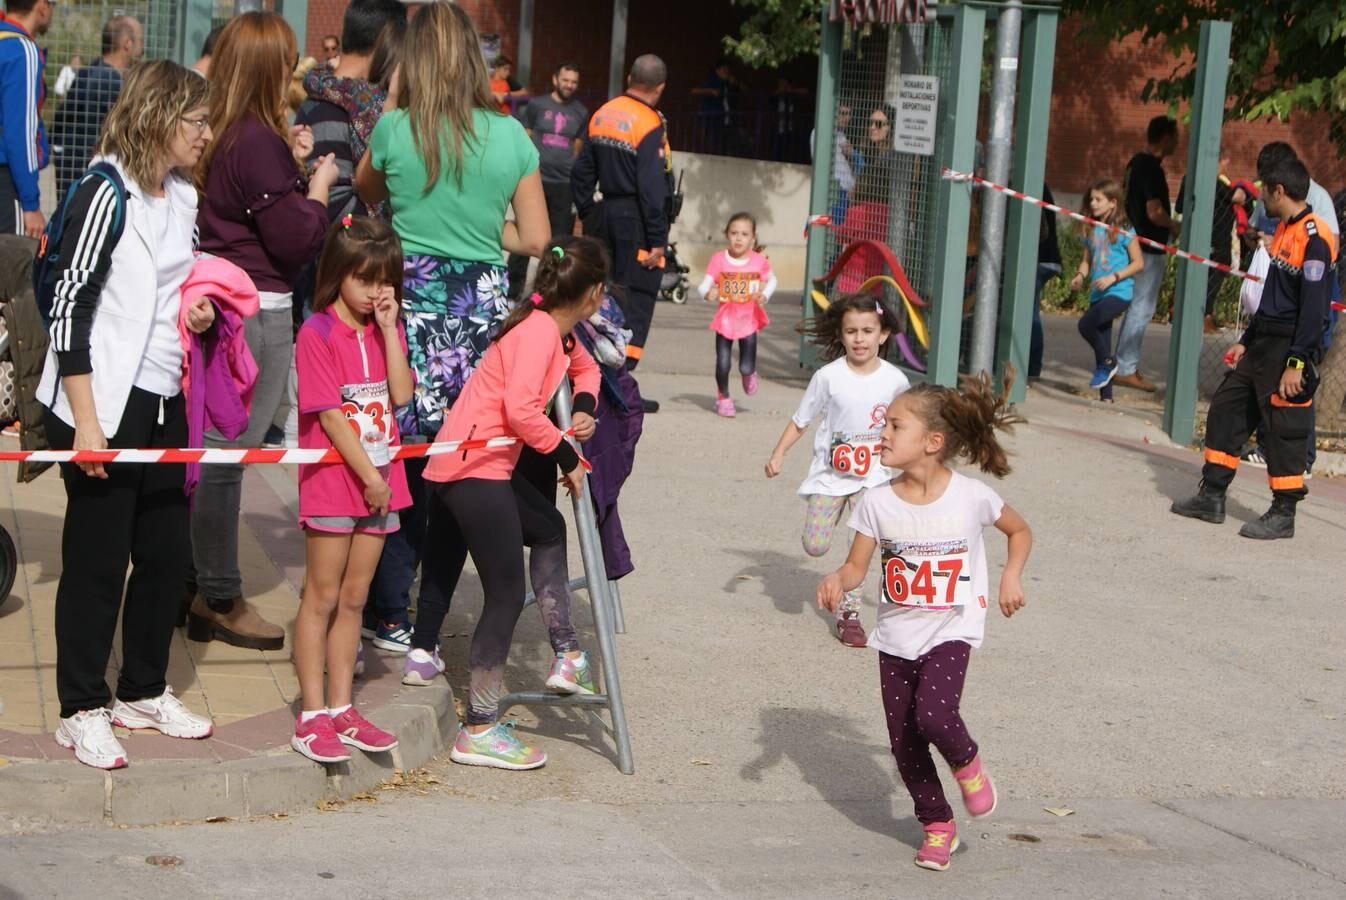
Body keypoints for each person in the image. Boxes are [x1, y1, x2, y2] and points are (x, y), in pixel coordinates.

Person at [38, 60, 216, 770]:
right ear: (158, 118)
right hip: (101, 400)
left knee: (168, 552)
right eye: (196, 121)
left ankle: (142, 689)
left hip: (165, 393)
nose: (206, 134)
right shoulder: (104, 193)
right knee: (97, 559)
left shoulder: (181, 195)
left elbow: (175, 287)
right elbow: (67, 309)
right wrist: (86, 421)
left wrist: (194, 310)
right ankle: (81, 707)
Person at [355, 0, 549, 651]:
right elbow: (539, 237)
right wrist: (482, 222)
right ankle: (430, 621)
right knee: (466, 464)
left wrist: (391, 104)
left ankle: (388, 610)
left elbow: (367, 191)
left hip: (404, 316)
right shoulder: (511, 138)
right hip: (480, 320)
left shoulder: (397, 129)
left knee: (403, 461)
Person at [816, 370, 1031, 873]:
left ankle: (967, 763)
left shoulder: (971, 496)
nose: (883, 435)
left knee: (934, 717)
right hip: (895, 637)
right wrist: (836, 580)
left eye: (895, 426)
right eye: (884, 426)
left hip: (952, 628)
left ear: (932, 442)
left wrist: (1011, 578)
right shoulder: (876, 501)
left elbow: (1018, 532)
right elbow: (856, 567)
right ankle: (937, 825)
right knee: (905, 742)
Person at [413, 236, 603, 770]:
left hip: (469, 462)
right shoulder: (541, 330)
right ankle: (480, 725)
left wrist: (579, 414)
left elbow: (584, 374)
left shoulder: (551, 328)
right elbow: (521, 411)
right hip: (473, 467)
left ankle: (567, 656)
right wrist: (568, 456)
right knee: (504, 591)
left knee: (547, 528)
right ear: (594, 294)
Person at [187, 11, 338, 650]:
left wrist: (293, 172)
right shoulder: (254, 139)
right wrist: (321, 189)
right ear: (269, 67)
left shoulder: (222, 131)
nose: (295, 71)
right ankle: (217, 592)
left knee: (215, 455)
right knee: (227, 458)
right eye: (288, 59)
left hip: (227, 304)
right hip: (252, 314)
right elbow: (295, 237)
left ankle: (196, 581)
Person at [290, 215, 410, 763]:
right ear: (339, 272)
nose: (372, 291)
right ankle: (312, 714)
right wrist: (369, 479)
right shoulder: (315, 332)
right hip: (339, 483)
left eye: (382, 280)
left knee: (357, 599)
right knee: (323, 595)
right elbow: (332, 418)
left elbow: (402, 394)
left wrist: (389, 329)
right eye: (363, 279)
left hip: (384, 480)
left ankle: (342, 707)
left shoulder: (382, 326)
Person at [1171, 152, 1335, 540]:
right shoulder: (1283, 230)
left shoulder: (1314, 238)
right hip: (1262, 341)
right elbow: (1272, 298)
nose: (1261, 198)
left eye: (1264, 191)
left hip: (1287, 348)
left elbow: (1313, 310)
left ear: (1279, 190)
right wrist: (1245, 341)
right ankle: (1211, 495)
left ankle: (1284, 512)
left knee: (1284, 428)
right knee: (1227, 409)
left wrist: (1297, 361)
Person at [765, 293, 909, 647]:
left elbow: (907, 427)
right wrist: (779, 452)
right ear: (841, 335)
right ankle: (831, 568)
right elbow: (802, 420)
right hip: (831, 477)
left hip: (873, 478)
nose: (859, 338)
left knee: (858, 550)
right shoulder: (828, 377)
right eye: (851, 331)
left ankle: (850, 616)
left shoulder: (895, 381)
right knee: (814, 546)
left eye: (867, 331)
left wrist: (909, 469)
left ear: (884, 334)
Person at [572, 53, 672, 411]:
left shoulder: (603, 112)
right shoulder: (648, 122)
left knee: (600, 294)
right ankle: (621, 383)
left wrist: (589, 211)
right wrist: (658, 240)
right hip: (636, 222)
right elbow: (651, 187)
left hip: (604, 214)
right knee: (635, 298)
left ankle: (589, 376)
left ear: (629, 76)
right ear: (659, 89)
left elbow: (581, 170)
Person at [297, 0, 408, 225]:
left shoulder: (329, 95)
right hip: (360, 253)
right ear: (387, 41)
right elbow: (336, 207)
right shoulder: (328, 109)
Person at [508, 62, 587, 300]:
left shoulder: (581, 112)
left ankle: (547, 293)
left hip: (564, 185)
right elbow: (525, 136)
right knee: (524, 235)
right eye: (565, 80)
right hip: (536, 181)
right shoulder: (537, 105)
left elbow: (578, 147)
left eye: (574, 82)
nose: (569, 85)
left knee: (559, 243)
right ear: (555, 79)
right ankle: (513, 292)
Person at [1116, 115, 1180, 392]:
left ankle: (1122, 364)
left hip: (1133, 242)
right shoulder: (1151, 169)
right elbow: (1154, 213)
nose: (1178, 142)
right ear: (1166, 138)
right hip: (1148, 247)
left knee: (1135, 306)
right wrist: (1175, 224)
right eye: (1176, 137)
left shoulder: (1135, 163)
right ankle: (1126, 367)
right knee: (1142, 307)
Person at [53, 15, 144, 196]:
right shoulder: (108, 80)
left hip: (74, 166)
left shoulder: (91, 70)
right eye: (141, 40)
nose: (143, 46)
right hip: (87, 171)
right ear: (127, 44)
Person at [1069, 179, 1142, 400]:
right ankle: (1106, 396)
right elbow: (1086, 261)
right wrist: (1080, 276)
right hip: (1097, 293)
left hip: (1119, 292)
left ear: (1113, 202)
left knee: (1085, 325)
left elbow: (1138, 263)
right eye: (1091, 199)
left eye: (1098, 199)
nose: (1093, 203)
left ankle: (1110, 363)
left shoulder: (1126, 229)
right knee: (1103, 341)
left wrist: (1114, 277)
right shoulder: (1091, 228)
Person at [699, 211, 776, 417]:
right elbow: (703, 286)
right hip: (725, 322)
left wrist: (764, 296)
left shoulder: (758, 261)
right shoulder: (718, 260)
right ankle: (723, 398)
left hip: (748, 321)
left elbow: (772, 280)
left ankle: (748, 374)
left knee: (745, 366)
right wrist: (709, 293)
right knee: (723, 362)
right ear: (727, 235)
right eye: (734, 233)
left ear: (753, 237)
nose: (739, 238)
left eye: (744, 234)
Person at [0, 0, 52, 239]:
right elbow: (21, 132)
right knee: (11, 269)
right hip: (6, 180)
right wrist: (30, 204)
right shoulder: (22, 49)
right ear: (41, 6)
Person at [1175, 159, 1237, 333]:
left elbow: (1180, 207)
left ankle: (1187, 315)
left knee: (1195, 279)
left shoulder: (1189, 179)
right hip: (1218, 241)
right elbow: (1238, 199)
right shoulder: (1218, 184)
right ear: (1217, 161)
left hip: (1194, 239)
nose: (1226, 165)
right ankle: (1205, 317)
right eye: (1224, 162)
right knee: (1213, 280)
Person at [1028, 184, 1062, 378]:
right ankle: (1032, 367)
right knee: (1030, 312)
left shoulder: (1032, 184)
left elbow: (1041, 231)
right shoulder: (1039, 185)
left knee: (1028, 313)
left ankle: (1033, 368)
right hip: (1046, 259)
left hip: (1040, 260)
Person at [690, 58, 735, 154]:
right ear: (717, 71)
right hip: (712, 119)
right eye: (724, 70)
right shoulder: (712, 80)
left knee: (724, 142)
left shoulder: (726, 84)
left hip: (723, 119)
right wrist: (711, 91)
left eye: (728, 71)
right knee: (714, 143)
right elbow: (694, 91)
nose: (727, 73)